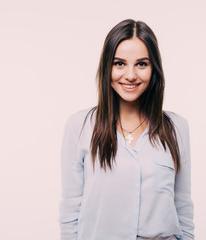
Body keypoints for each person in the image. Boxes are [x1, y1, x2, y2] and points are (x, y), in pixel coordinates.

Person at [58, 19, 195, 240]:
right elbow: (70, 211)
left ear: (154, 69)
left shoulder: (177, 128)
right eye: (119, 63)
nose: (130, 75)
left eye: (141, 64)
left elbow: (183, 207)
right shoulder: (79, 127)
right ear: (107, 67)